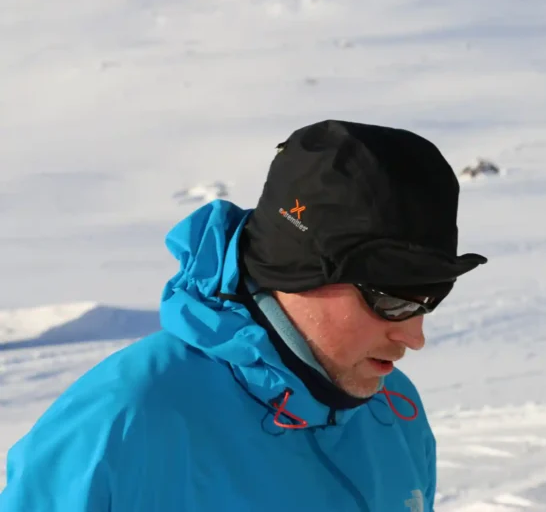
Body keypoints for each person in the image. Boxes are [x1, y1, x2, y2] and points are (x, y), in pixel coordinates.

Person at [0, 119, 487, 512]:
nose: (414, 337)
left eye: (431, 298)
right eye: (392, 301)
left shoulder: (393, 410)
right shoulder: (125, 421)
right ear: (299, 272)